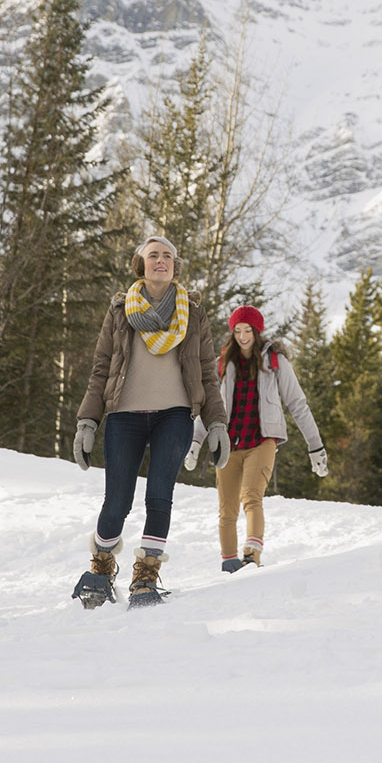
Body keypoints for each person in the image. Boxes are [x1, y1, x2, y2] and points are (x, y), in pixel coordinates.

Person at [72, 232, 228, 604]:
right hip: (124, 415)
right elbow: (101, 369)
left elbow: (206, 370)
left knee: (160, 496)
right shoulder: (120, 310)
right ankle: (102, 564)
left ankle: (145, 576)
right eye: (153, 255)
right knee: (117, 502)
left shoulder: (192, 310)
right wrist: (87, 421)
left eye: (168, 257)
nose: (161, 261)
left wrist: (217, 422)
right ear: (140, 264)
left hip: (174, 416)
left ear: (174, 266)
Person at [214, 305, 329, 572]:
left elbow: (297, 404)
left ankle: (251, 555)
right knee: (226, 509)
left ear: (257, 331)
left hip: (262, 439)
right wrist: (196, 442)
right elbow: (210, 407)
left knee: (251, 497)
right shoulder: (223, 363)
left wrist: (316, 446)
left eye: (248, 330)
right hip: (228, 443)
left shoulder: (275, 360)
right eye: (238, 331)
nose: (242, 336)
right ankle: (229, 563)